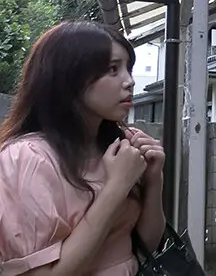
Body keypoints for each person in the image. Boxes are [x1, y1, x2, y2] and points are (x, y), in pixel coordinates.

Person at [0, 22, 166, 275]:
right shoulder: (27, 159)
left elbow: (146, 248)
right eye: (113, 69)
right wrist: (117, 187)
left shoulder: (120, 147)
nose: (129, 81)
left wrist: (154, 180)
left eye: (128, 68)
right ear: (69, 77)